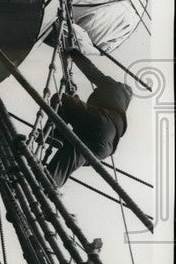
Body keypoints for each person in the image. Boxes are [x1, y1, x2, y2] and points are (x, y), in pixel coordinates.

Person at [44, 48, 133, 188]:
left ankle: (52, 133)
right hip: (105, 148)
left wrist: (74, 53)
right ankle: (48, 187)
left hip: (102, 125)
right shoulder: (119, 106)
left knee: (62, 99)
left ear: (122, 86)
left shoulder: (115, 86)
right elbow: (87, 115)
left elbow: (92, 71)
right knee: (72, 151)